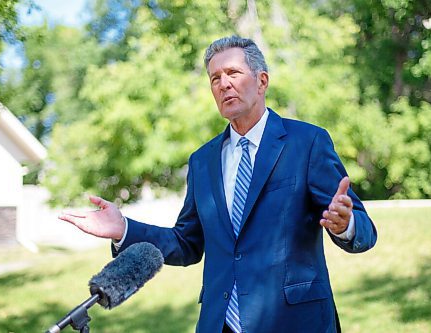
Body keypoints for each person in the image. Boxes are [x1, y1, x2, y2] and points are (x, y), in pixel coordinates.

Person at [59, 36, 377, 333]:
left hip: (294, 320)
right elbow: (187, 243)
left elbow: (365, 229)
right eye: (214, 78)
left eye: (233, 73)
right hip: (220, 323)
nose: (223, 84)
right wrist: (124, 229)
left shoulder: (306, 142)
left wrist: (345, 224)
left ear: (262, 81)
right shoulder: (202, 161)